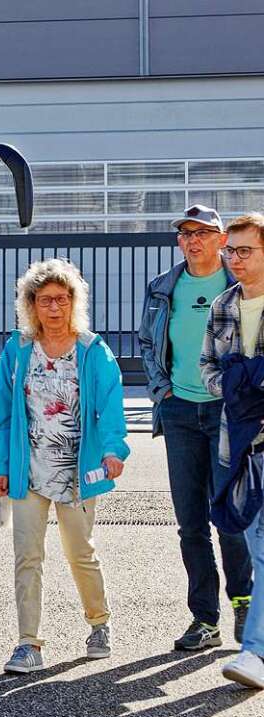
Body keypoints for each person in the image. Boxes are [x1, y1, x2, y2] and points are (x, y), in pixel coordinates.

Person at [0, 259, 129, 674]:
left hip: (77, 471)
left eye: (62, 299)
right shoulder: (17, 349)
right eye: (45, 300)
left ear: (73, 303)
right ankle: (28, 644)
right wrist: (1, 463)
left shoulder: (91, 349)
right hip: (28, 470)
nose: (54, 308)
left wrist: (113, 451)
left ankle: (99, 623)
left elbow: (111, 405)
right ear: (31, 304)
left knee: (79, 552)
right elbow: (2, 412)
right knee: (26, 556)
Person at [138, 203, 253, 652]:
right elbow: (148, 340)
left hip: (228, 415)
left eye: (203, 232)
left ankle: (244, 602)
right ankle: (204, 620)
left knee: (230, 517)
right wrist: (161, 391)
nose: (193, 240)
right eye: (186, 233)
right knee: (190, 524)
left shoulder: (240, 286)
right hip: (181, 412)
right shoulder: (163, 288)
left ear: (221, 240)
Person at [200, 212, 264, 688]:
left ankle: (255, 652)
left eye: (245, 250)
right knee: (257, 547)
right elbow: (206, 366)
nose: (234, 259)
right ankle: (256, 654)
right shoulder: (222, 305)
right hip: (241, 446)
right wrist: (234, 384)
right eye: (232, 251)